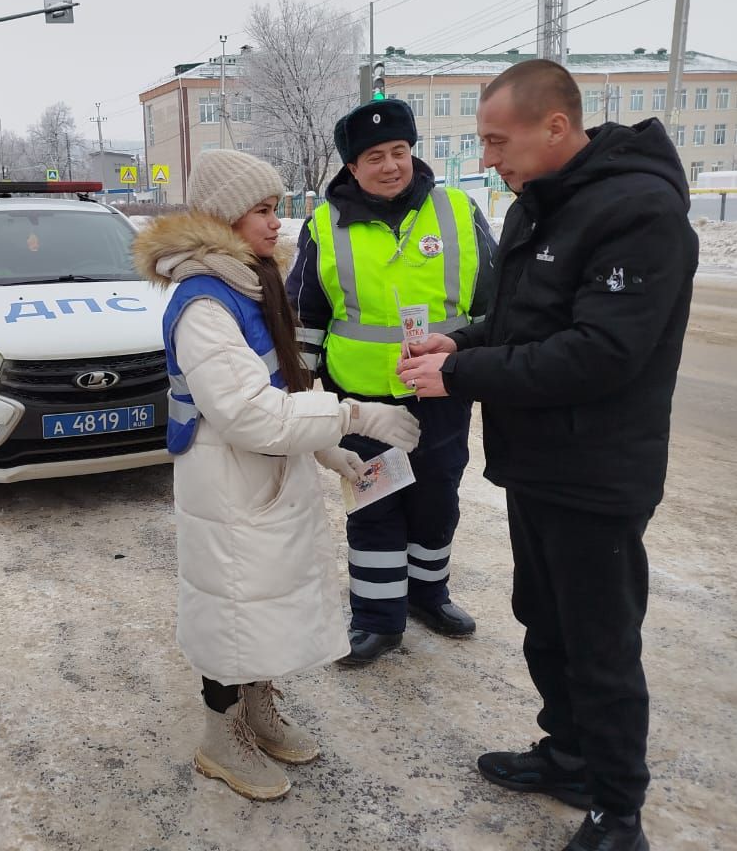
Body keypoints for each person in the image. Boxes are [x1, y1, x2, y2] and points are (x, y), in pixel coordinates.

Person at [400, 59, 698, 851]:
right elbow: (518, 320)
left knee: (600, 642)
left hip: (598, 473)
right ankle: (568, 756)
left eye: (499, 140)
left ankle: (616, 809)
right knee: (545, 621)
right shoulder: (543, 203)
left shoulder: (640, 211)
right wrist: (457, 339)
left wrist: (458, 372)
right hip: (538, 462)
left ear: (555, 127)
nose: (489, 158)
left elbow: (601, 352)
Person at [132, 149, 422, 800]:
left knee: (258, 611)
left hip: (263, 482)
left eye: (276, 208)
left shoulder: (249, 281)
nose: (277, 223)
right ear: (225, 218)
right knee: (232, 613)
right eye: (263, 210)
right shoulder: (205, 304)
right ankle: (219, 737)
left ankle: (256, 708)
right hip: (230, 489)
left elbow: (283, 383)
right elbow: (252, 415)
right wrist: (352, 414)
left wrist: (330, 453)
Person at [286, 98, 497, 665]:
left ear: (412, 152)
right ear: (352, 168)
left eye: (398, 151)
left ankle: (429, 594)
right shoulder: (325, 225)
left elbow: (496, 305)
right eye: (373, 156)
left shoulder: (456, 209)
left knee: (437, 497)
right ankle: (378, 618)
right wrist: (301, 393)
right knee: (374, 500)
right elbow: (303, 315)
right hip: (362, 401)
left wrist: (475, 365)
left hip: (441, 391)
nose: (390, 165)